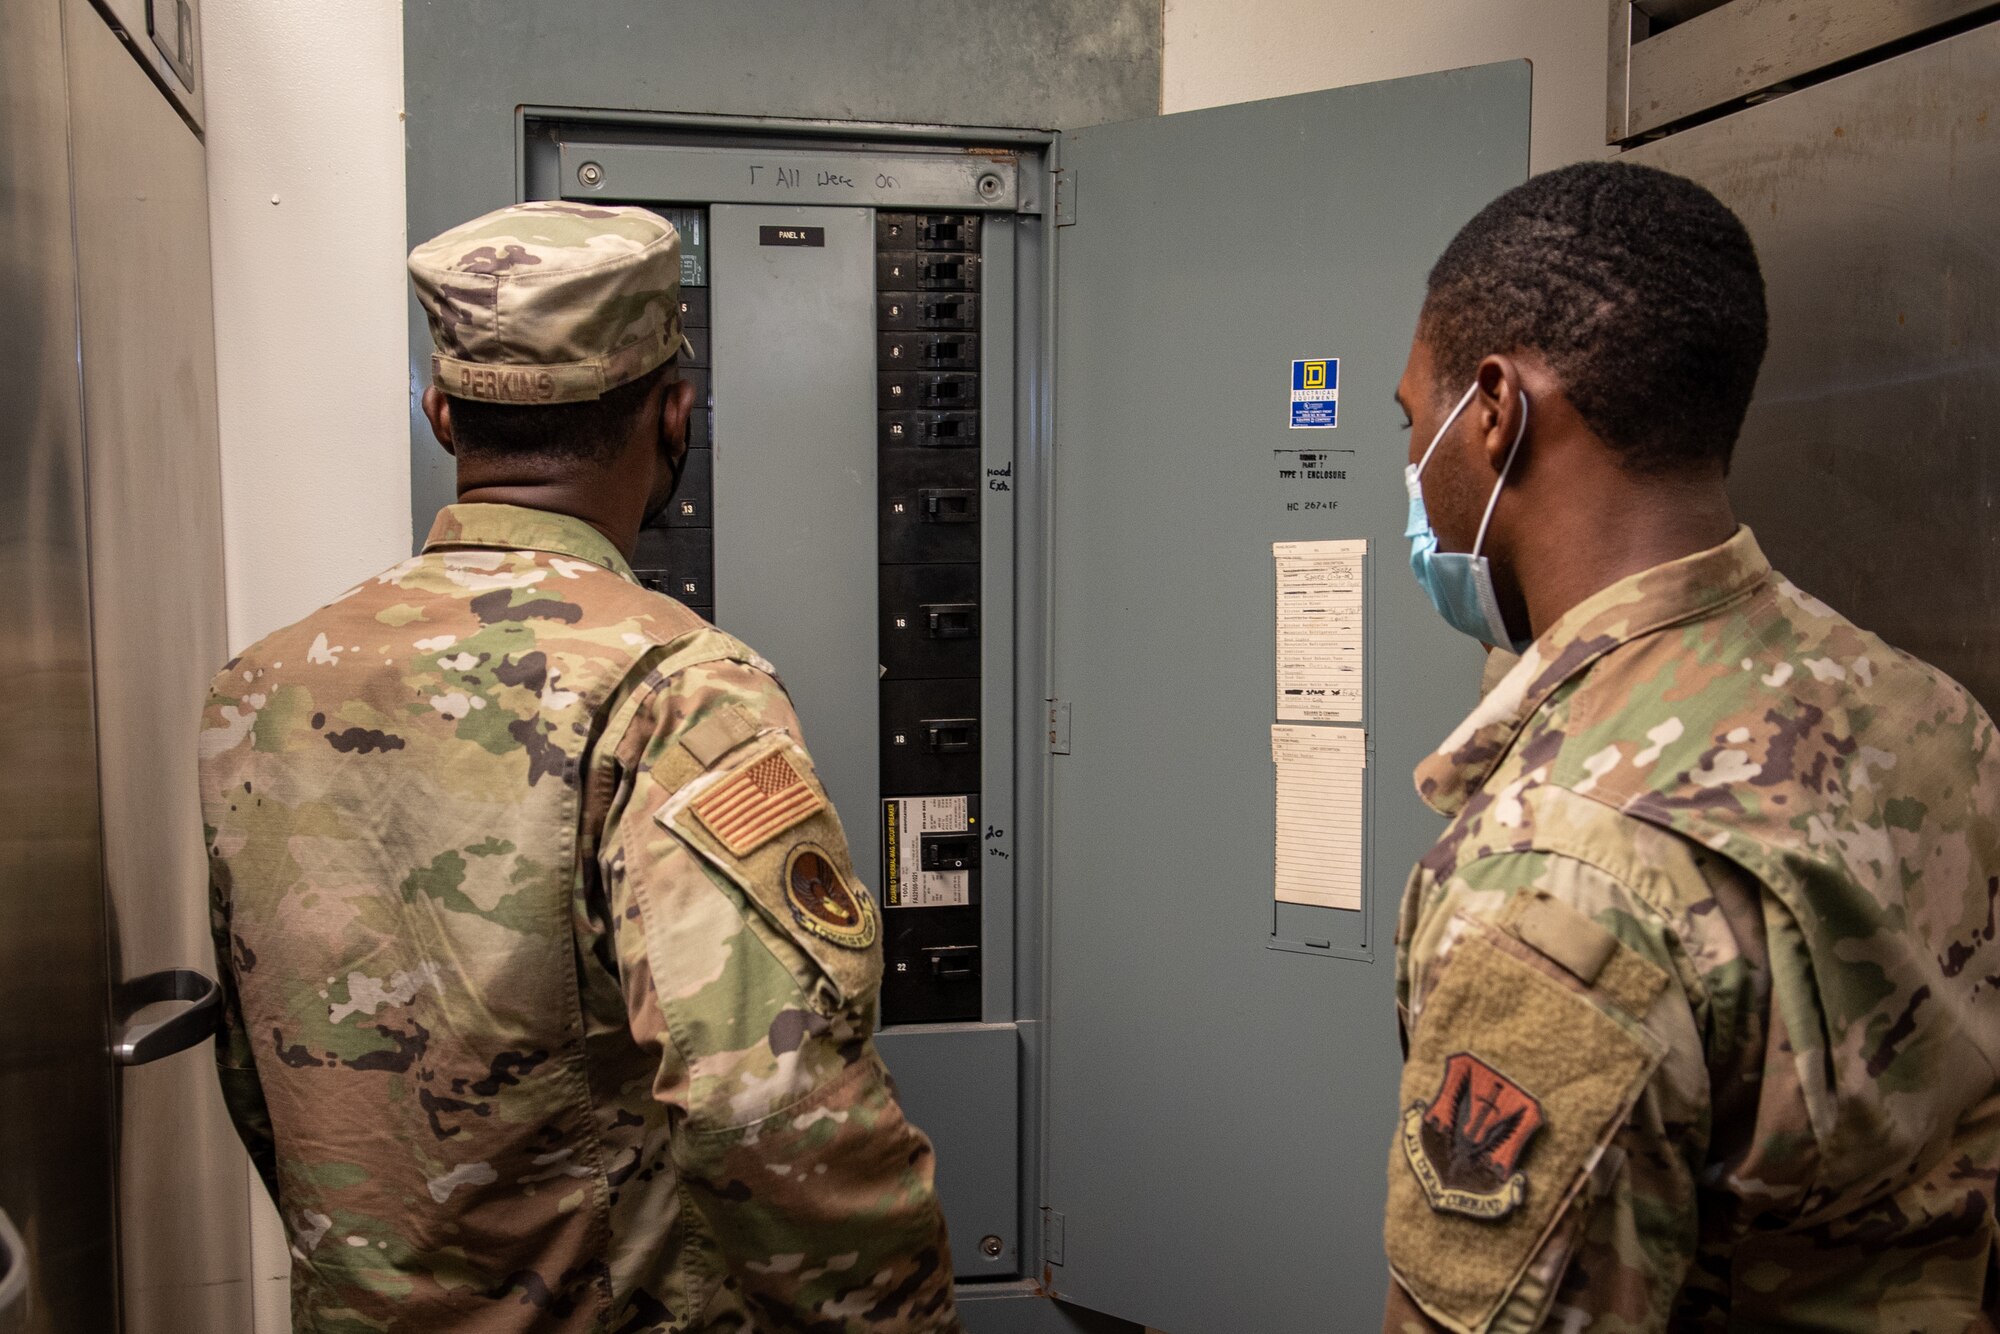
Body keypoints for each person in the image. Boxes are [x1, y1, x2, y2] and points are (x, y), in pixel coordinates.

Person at [200, 201, 962, 1332]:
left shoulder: (258, 690)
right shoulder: (676, 690)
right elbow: (763, 1100)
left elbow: (264, 1074)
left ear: (442, 412)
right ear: (674, 417)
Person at [1383, 161, 2000, 1332]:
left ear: (1495, 408)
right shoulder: (1925, 712)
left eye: (1412, 424)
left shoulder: (1560, 877)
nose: (1414, 473)